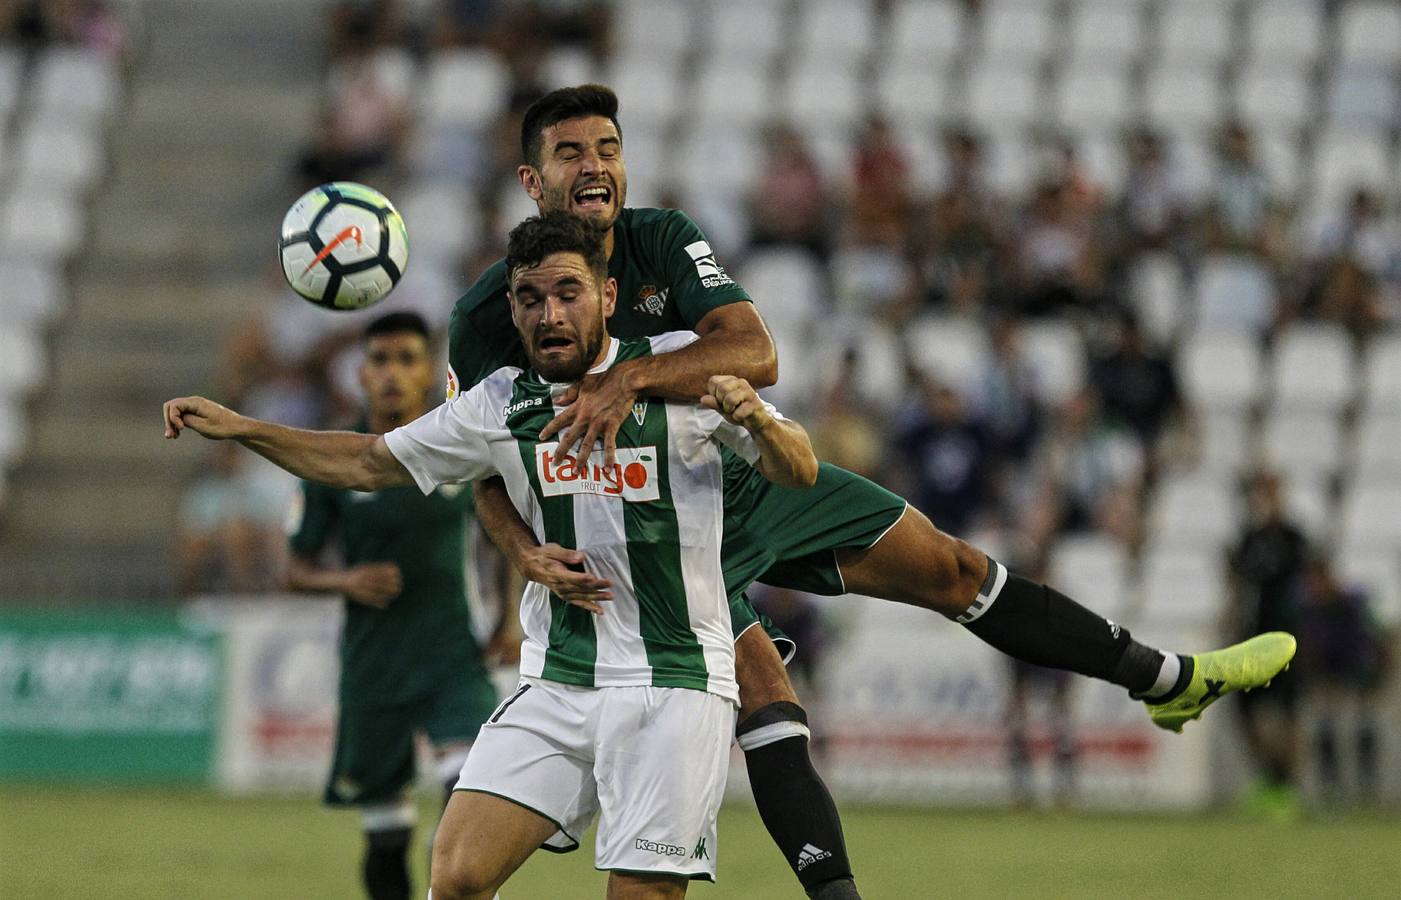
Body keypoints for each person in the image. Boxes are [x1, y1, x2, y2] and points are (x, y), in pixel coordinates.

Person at [446, 84, 1299, 900]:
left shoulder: (659, 239)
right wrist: (522, 553)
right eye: (569, 154)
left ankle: (1164, 678)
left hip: (737, 473)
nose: (594, 166)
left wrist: (631, 377)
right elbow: (480, 466)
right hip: (642, 538)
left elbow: (755, 353)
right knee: (763, 690)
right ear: (532, 182)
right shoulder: (490, 316)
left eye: (608, 148)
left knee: (953, 569)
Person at [163, 212, 820, 900]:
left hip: (675, 685)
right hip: (559, 682)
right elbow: (364, 460)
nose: (550, 314)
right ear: (511, 307)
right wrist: (243, 428)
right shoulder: (502, 403)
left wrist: (754, 420)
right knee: (457, 878)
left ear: (605, 294)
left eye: (568, 293)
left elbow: (797, 468)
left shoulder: (678, 374)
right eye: (531, 299)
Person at [282, 312, 507, 900]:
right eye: (380, 360)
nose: (392, 373)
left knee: (470, 805)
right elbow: (294, 569)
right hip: (373, 661)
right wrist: (346, 581)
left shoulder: (458, 445)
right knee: (386, 835)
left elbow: (508, 535)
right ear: (360, 373)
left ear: (429, 371)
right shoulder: (332, 462)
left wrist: (509, 620)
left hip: (453, 654)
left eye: (407, 359)